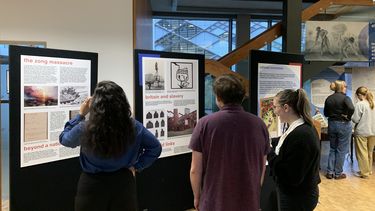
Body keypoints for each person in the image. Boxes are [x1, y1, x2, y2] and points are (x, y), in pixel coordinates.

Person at [59, 80, 162, 211]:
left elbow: (65, 139)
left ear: (95, 105)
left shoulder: (85, 128)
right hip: (124, 183)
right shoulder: (134, 127)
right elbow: (155, 148)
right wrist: (137, 166)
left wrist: (80, 115)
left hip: (92, 185)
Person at [189, 74, 270, 211]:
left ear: (218, 98)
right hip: (249, 202)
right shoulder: (259, 124)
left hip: (214, 201)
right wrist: (254, 194)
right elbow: (262, 166)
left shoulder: (204, 124)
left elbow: (195, 170)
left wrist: (197, 196)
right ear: (242, 97)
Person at [268, 89, 321, 211]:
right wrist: (270, 141)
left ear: (286, 108)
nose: (275, 111)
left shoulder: (301, 135)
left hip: (298, 197)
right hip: (298, 194)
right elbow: (286, 142)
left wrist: (269, 152)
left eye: (276, 107)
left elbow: (290, 176)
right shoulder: (300, 128)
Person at [324, 80, 354, 179]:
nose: (346, 88)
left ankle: (330, 172)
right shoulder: (346, 98)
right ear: (341, 87)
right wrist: (348, 117)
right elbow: (351, 108)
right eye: (345, 86)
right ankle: (338, 173)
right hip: (343, 124)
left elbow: (326, 114)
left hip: (332, 124)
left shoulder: (329, 98)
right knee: (341, 150)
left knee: (332, 148)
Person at [351, 86, 375, 178]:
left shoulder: (360, 104)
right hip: (373, 131)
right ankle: (369, 171)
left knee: (362, 153)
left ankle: (364, 173)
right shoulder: (373, 103)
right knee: (369, 152)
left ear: (360, 95)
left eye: (357, 95)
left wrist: (350, 117)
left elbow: (355, 119)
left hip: (362, 132)